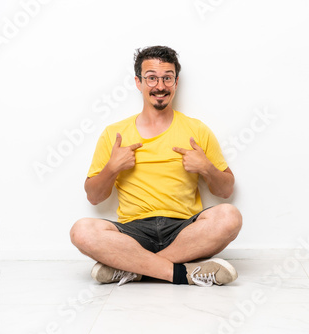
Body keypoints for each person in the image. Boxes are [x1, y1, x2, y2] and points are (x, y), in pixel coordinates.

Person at [70, 46, 242, 287]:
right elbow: (94, 197)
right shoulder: (114, 134)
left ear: (176, 82)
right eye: (151, 77)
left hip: (183, 231)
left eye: (167, 78)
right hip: (133, 233)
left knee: (229, 216)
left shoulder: (197, 130)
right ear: (138, 83)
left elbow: (225, 191)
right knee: (81, 231)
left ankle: (131, 269)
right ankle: (183, 273)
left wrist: (206, 168)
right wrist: (112, 168)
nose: (160, 86)